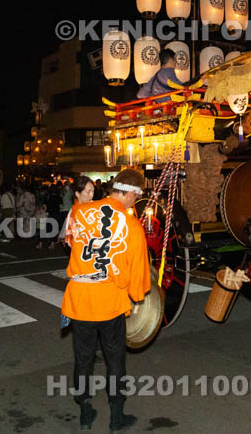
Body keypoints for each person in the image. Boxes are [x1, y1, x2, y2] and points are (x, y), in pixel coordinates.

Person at [62, 169, 151, 431]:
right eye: (137, 195)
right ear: (131, 193)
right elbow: (139, 282)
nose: (136, 201)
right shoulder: (132, 226)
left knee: (83, 357)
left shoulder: (80, 211)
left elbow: (70, 240)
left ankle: (85, 410)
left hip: (79, 300)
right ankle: (116, 416)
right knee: (115, 359)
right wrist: (137, 297)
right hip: (110, 302)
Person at [61, 176, 95, 247]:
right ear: (77, 194)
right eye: (88, 192)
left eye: (93, 191)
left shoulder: (96, 208)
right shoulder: (73, 212)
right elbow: (70, 239)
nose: (92, 195)